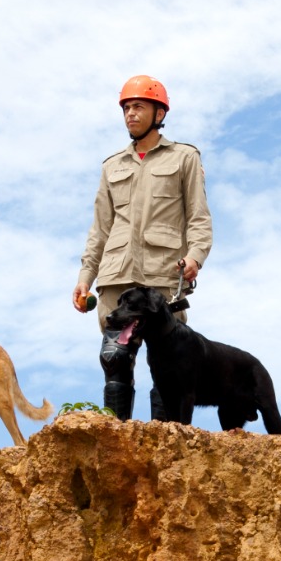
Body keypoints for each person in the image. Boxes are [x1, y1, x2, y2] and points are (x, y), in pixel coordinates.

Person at [74, 75, 213, 420]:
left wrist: (195, 256)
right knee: (115, 356)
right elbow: (100, 229)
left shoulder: (184, 158)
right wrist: (84, 277)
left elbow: (198, 217)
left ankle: (165, 446)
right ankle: (115, 441)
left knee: (169, 362)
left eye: (138, 106)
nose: (130, 114)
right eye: (126, 108)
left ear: (158, 112)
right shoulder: (112, 167)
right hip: (116, 276)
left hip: (163, 277)